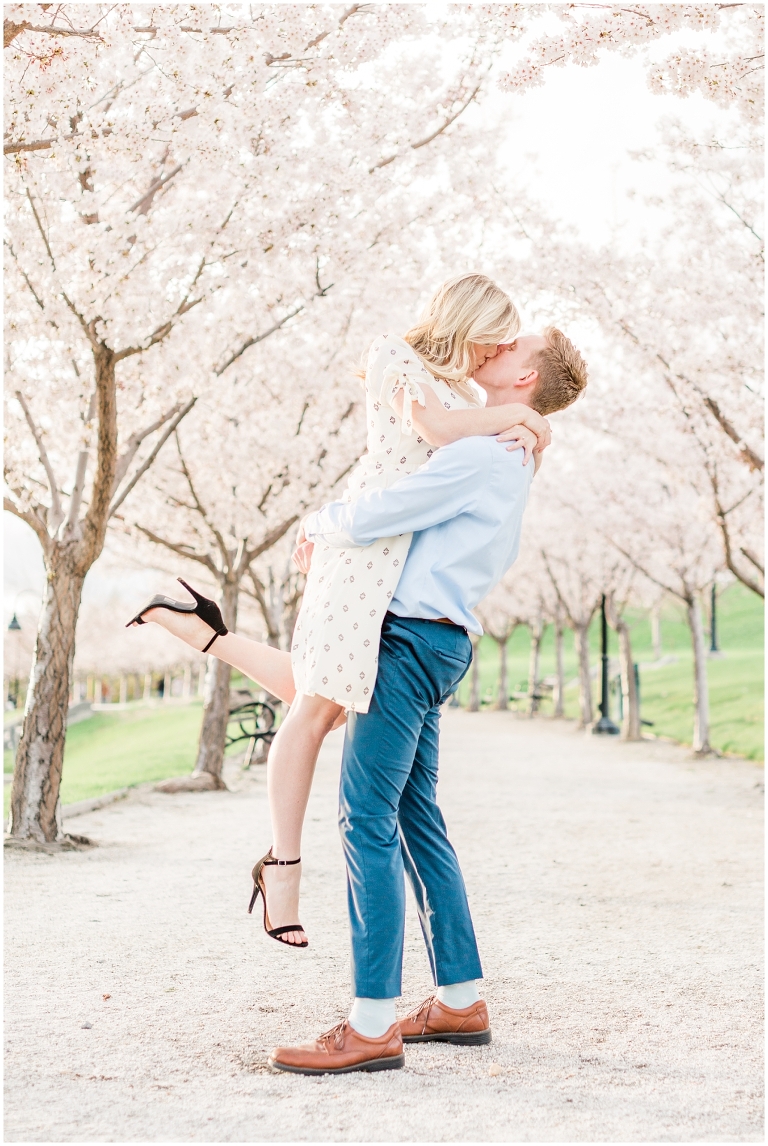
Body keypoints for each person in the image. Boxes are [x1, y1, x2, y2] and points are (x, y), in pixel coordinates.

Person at [129, 324, 589, 1074]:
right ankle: (460, 997)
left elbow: (382, 511)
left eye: (511, 347)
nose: (495, 346)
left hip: (407, 641)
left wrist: (316, 526)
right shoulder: (511, 451)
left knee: (365, 818)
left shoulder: (483, 452)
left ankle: (371, 1022)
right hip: (442, 641)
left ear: (525, 381)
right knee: (415, 817)